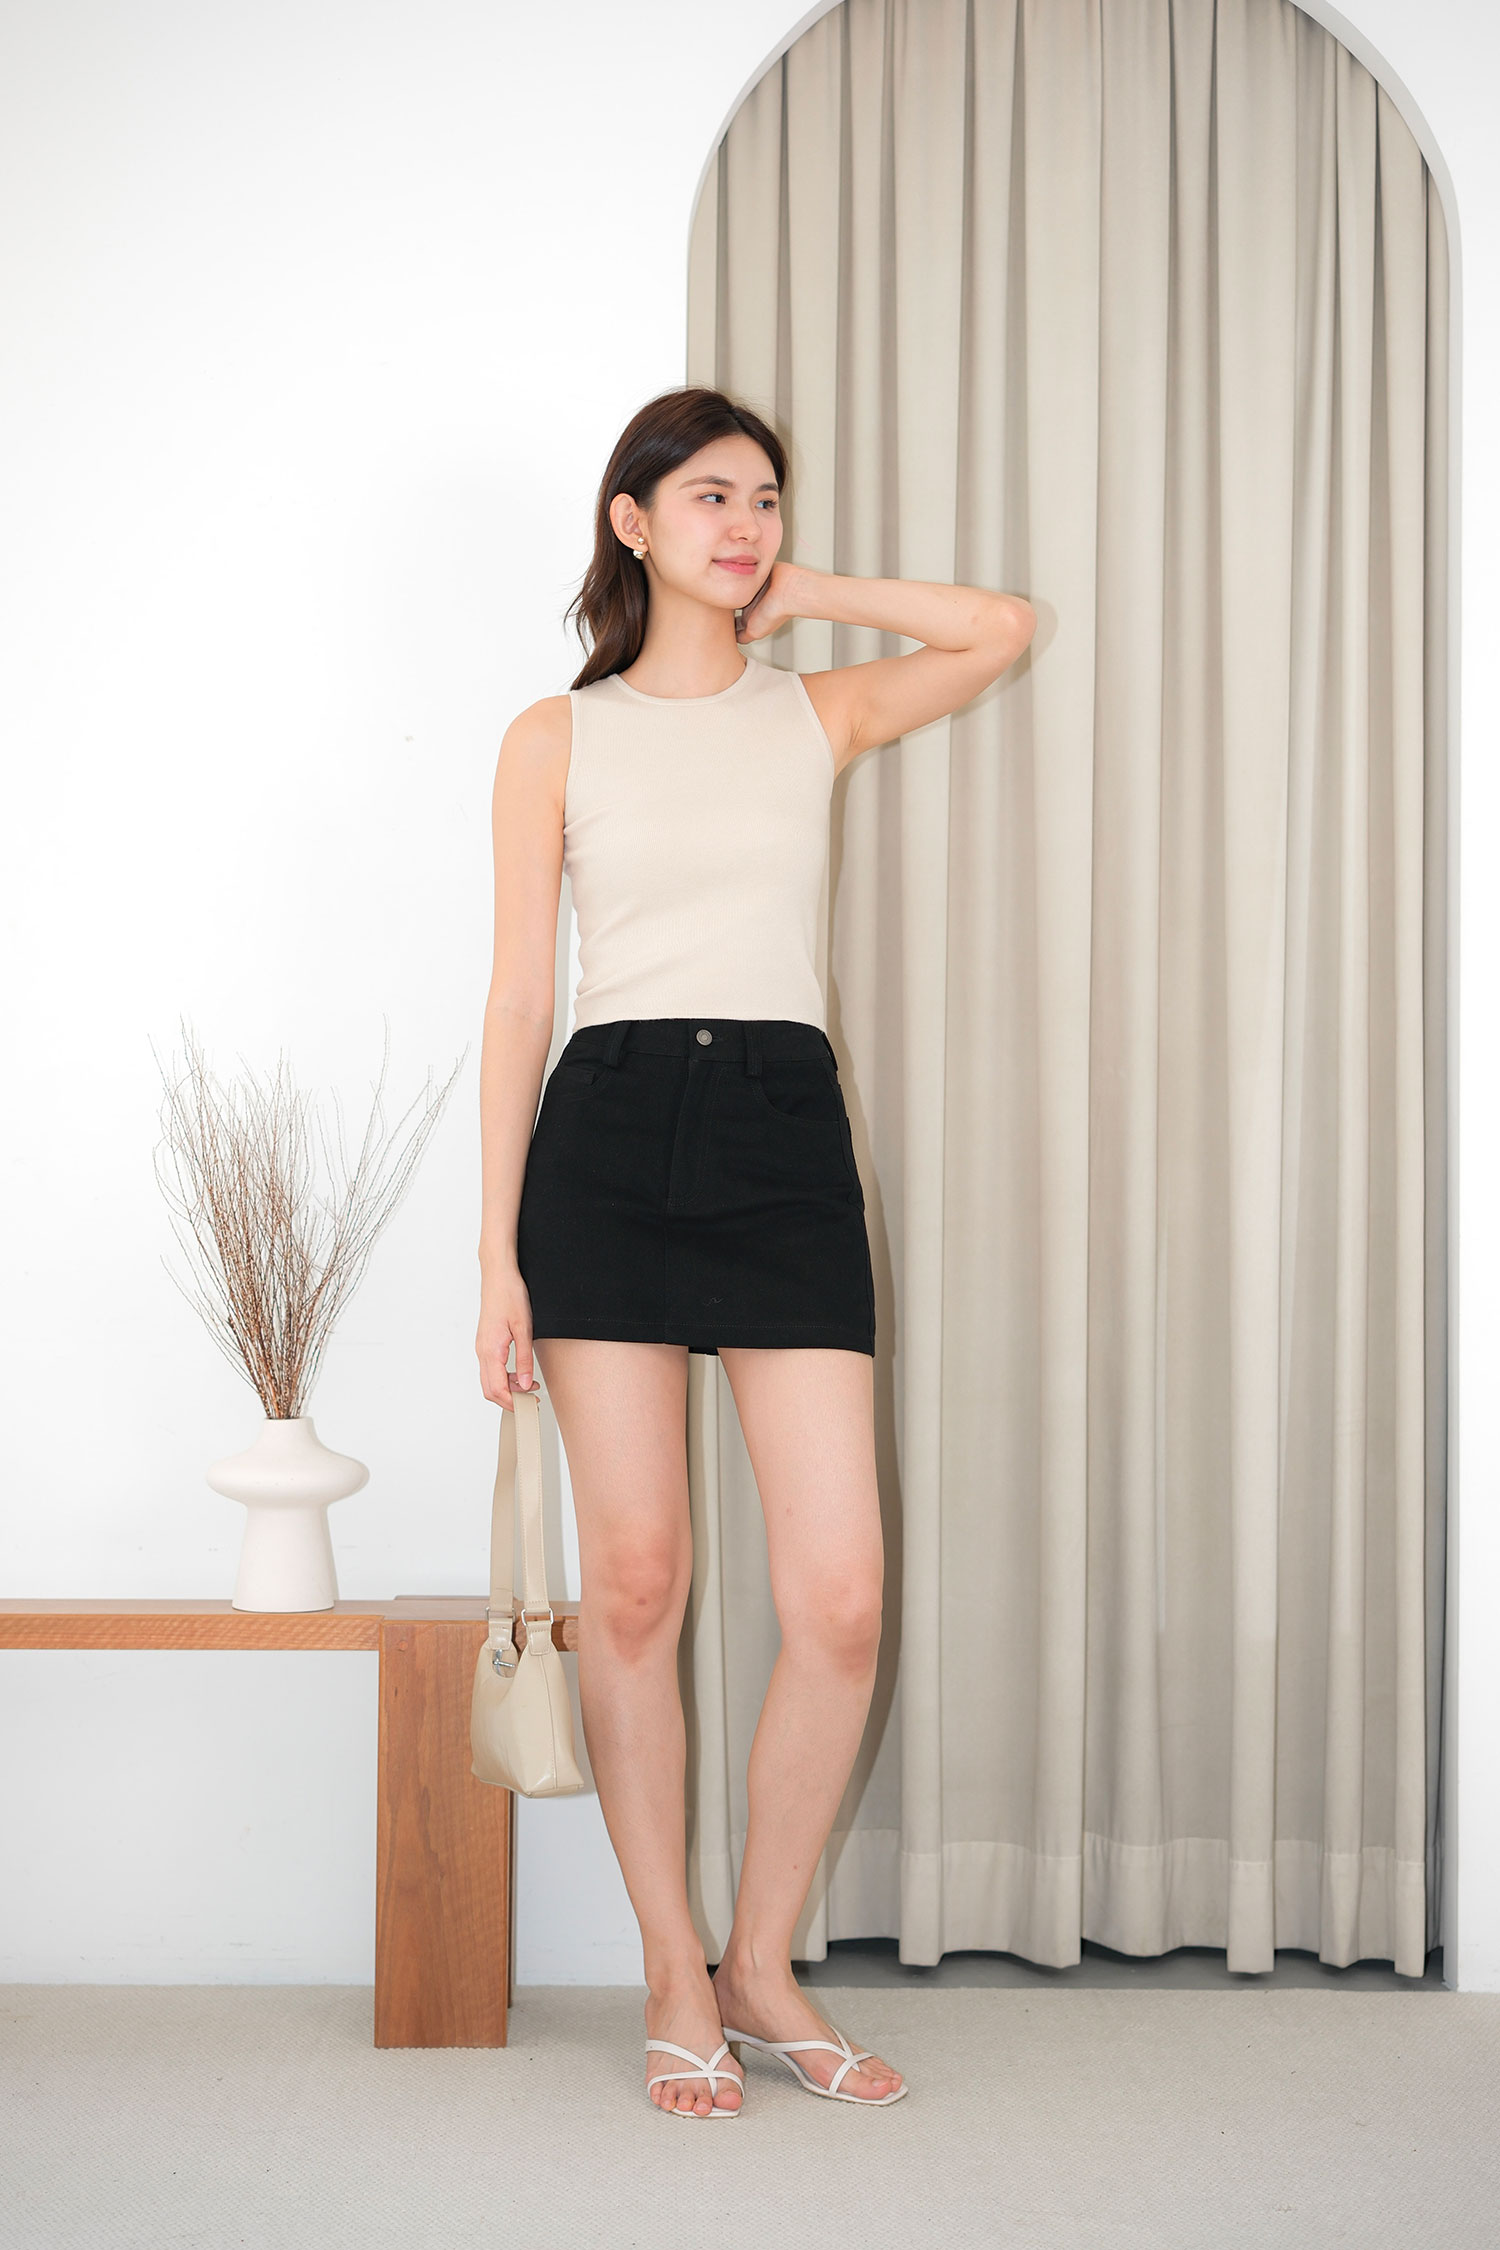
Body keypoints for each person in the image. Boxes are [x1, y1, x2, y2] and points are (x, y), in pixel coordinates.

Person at [476, 385, 1036, 2117]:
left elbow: (1001, 629)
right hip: (608, 1138)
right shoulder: (554, 737)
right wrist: (495, 1254)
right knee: (637, 1581)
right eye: (709, 496)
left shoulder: (817, 709)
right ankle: (672, 1963)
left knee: (840, 1596)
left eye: (765, 499)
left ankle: (761, 1958)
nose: (743, 522)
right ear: (630, 521)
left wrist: (811, 590)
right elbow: (517, 1002)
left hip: (785, 1136)